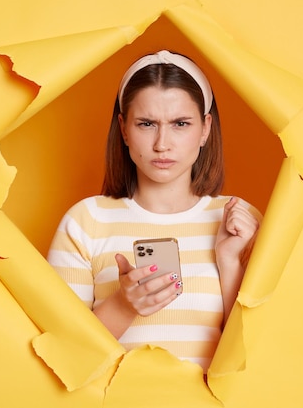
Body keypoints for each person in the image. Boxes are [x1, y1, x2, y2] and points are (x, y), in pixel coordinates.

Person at [47, 50, 261, 372]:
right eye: (146, 124)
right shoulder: (84, 222)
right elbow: (61, 360)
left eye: (180, 124)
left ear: (204, 129)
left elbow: (259, 356)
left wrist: (229, 262)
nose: (162, 144)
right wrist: (122, 305)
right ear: (123, 129)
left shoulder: (239, 221)